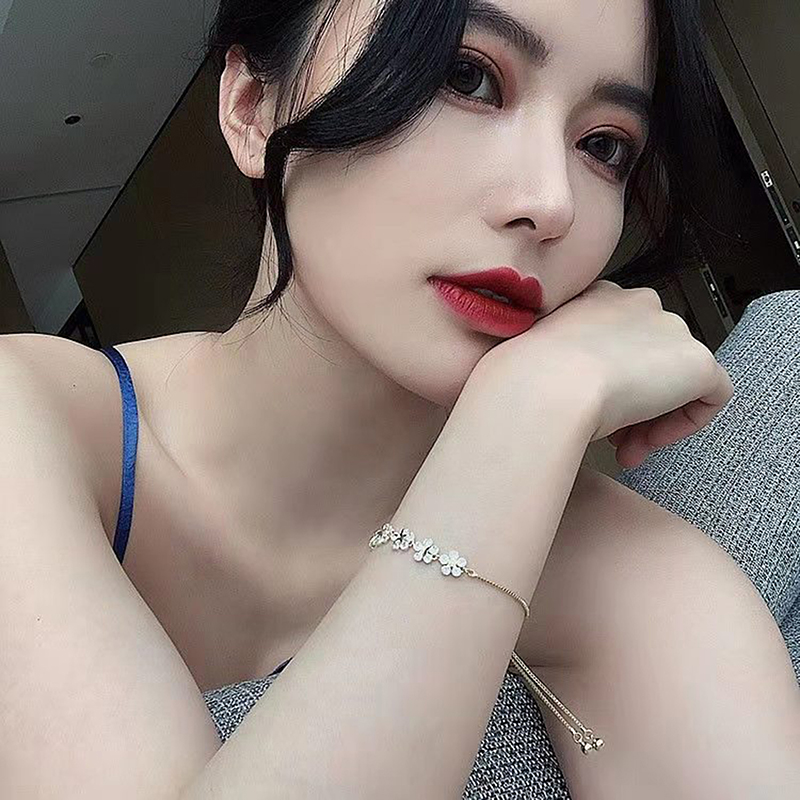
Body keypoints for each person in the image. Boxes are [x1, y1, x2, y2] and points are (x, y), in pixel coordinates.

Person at [2, 1, 799, 798]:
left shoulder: (623, 571)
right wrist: (523, 422)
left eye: (603, 146)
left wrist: (528, 415)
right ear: (251, 107)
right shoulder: (32, 420)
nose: (551, 201)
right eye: (467, 76)